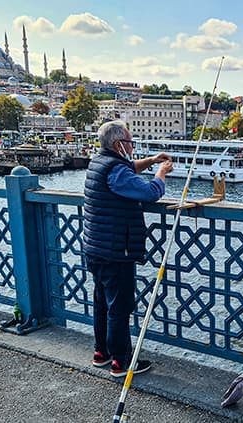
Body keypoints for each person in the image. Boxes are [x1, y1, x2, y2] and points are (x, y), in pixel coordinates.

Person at [82, 120, 173, 377]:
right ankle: (121, 362)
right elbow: (150, 192)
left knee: (102, 302)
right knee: (119, 307)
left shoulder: (99, 162)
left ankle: (102, 352)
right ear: (119, 144)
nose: (132, 146)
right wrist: (161, 173)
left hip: (95, 246)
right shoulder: (116, 171)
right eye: (131, 142)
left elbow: (128, 168)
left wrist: (152, 160)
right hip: (115, 250)